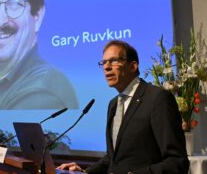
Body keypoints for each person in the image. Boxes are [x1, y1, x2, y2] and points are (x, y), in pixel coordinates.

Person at [57, 40, 189, 174]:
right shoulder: (114, 104)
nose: (107, 67)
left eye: (114, 61)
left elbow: (177, 161)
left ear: (133, 66)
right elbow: (113, 159)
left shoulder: (157, 99)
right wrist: (84, 173)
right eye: (104, 62)